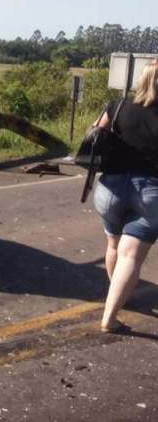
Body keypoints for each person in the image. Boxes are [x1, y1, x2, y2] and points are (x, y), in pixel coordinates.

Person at [93, 59, 158, 332]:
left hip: (110, 189)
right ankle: (110, 317)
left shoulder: (118, 106)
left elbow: (94, 133)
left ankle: (118, 293)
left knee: (114, 246)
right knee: (130, 256)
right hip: (150, 192)